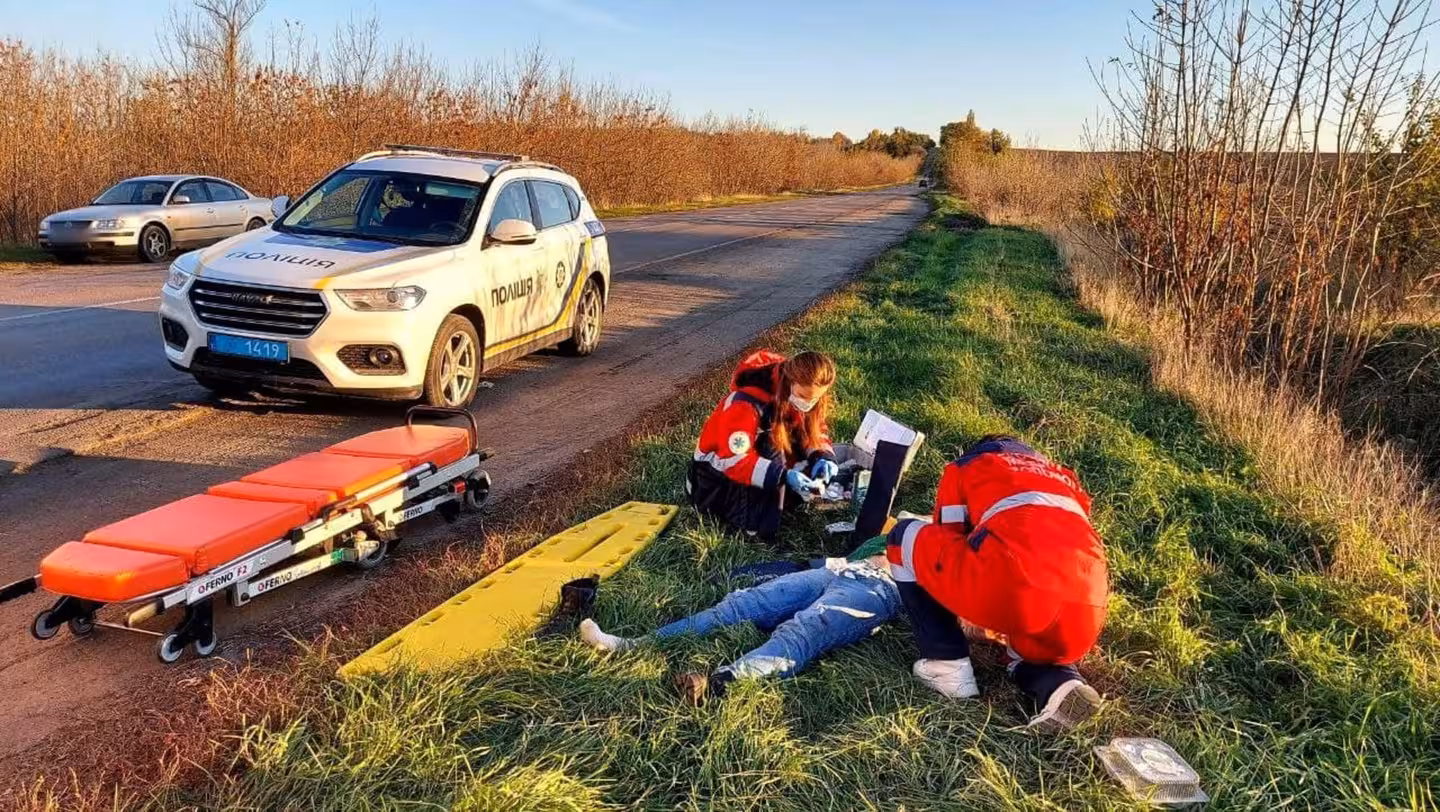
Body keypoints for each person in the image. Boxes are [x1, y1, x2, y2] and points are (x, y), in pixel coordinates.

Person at [886, 434, 1109, 733]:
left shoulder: (967, 467)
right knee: (1031, 651)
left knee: (903, 537)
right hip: (1088, 608)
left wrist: (968, 611)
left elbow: (949, 537)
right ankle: (1061, 684)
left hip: (1014, 588)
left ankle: (946, 664)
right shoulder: (1065, 478)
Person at [579, 537, 898, 702]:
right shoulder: (911, 528)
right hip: (843, 569)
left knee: (805, 630)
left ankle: (719, 683)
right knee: (742, 604)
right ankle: (632, 645)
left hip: (883, 588)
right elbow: (869, 546)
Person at [686, 350, 840, 541]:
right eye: (803, 396)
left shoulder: (795, 396)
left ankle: (779, 500)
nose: (808, 404)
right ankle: (751, 525)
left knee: (801, 456)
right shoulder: (745, 404)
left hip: (748, 468)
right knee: (770, 444)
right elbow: (734, 461)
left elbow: (813, 431)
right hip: (711, 483)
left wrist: (823, 456)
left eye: (815, 399)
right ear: (790, 381)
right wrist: (783, 476)